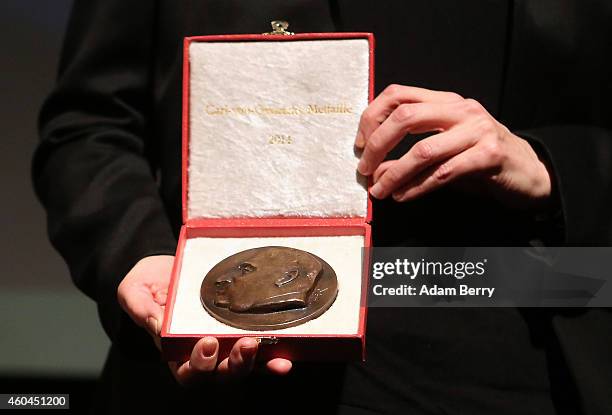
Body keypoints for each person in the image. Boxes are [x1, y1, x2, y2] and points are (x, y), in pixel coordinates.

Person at [33, 1, 612, 413]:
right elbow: (90, 126)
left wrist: (548, 165)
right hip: (228, 377)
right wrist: (143, 256)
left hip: (522, 348)